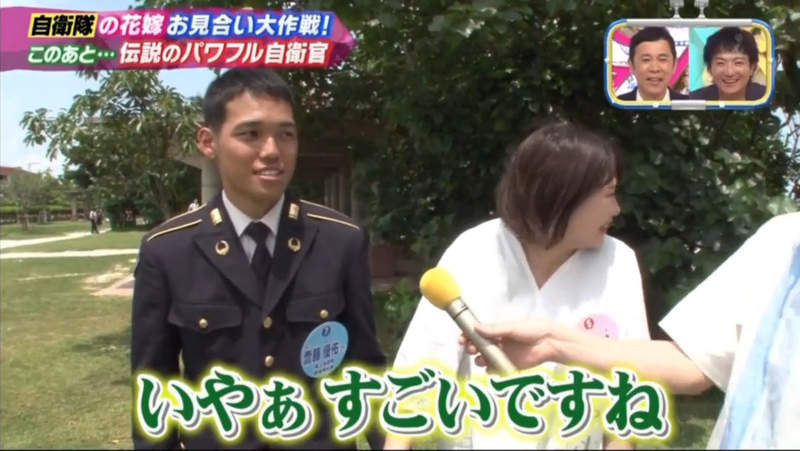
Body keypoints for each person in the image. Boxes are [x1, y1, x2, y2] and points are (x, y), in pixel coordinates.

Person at [131, 68, 386, 449]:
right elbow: (154, 387)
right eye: (250, 134)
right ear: (208, 141)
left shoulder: (341, 240)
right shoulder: (167, 250)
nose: (272, 151)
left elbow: (364, 367)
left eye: (286, 134)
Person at [386, 122, 650, 450]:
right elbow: (418, 374)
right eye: (609, 194)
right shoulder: (473, 250)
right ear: (563, 196)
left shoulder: (617, 261)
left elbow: (630, 388)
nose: (617, 209)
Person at [463, 212, 800, 448]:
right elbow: (694, 362)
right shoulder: (784, 240)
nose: (616, 209)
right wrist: (551, 343)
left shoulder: (617, 260)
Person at [689, 27, 767, 101]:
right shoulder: (694, 101)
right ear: (709, 69)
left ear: (752, 68)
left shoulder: (766, 97)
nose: (729, 72)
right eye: (721, 63)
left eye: (738, 63)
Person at [617, 27, 689, 101]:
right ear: (632, 66)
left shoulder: (690, 104)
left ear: (674, 65)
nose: (654, 69)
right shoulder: (618, 102)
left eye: (662, 59)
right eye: (646, 60)